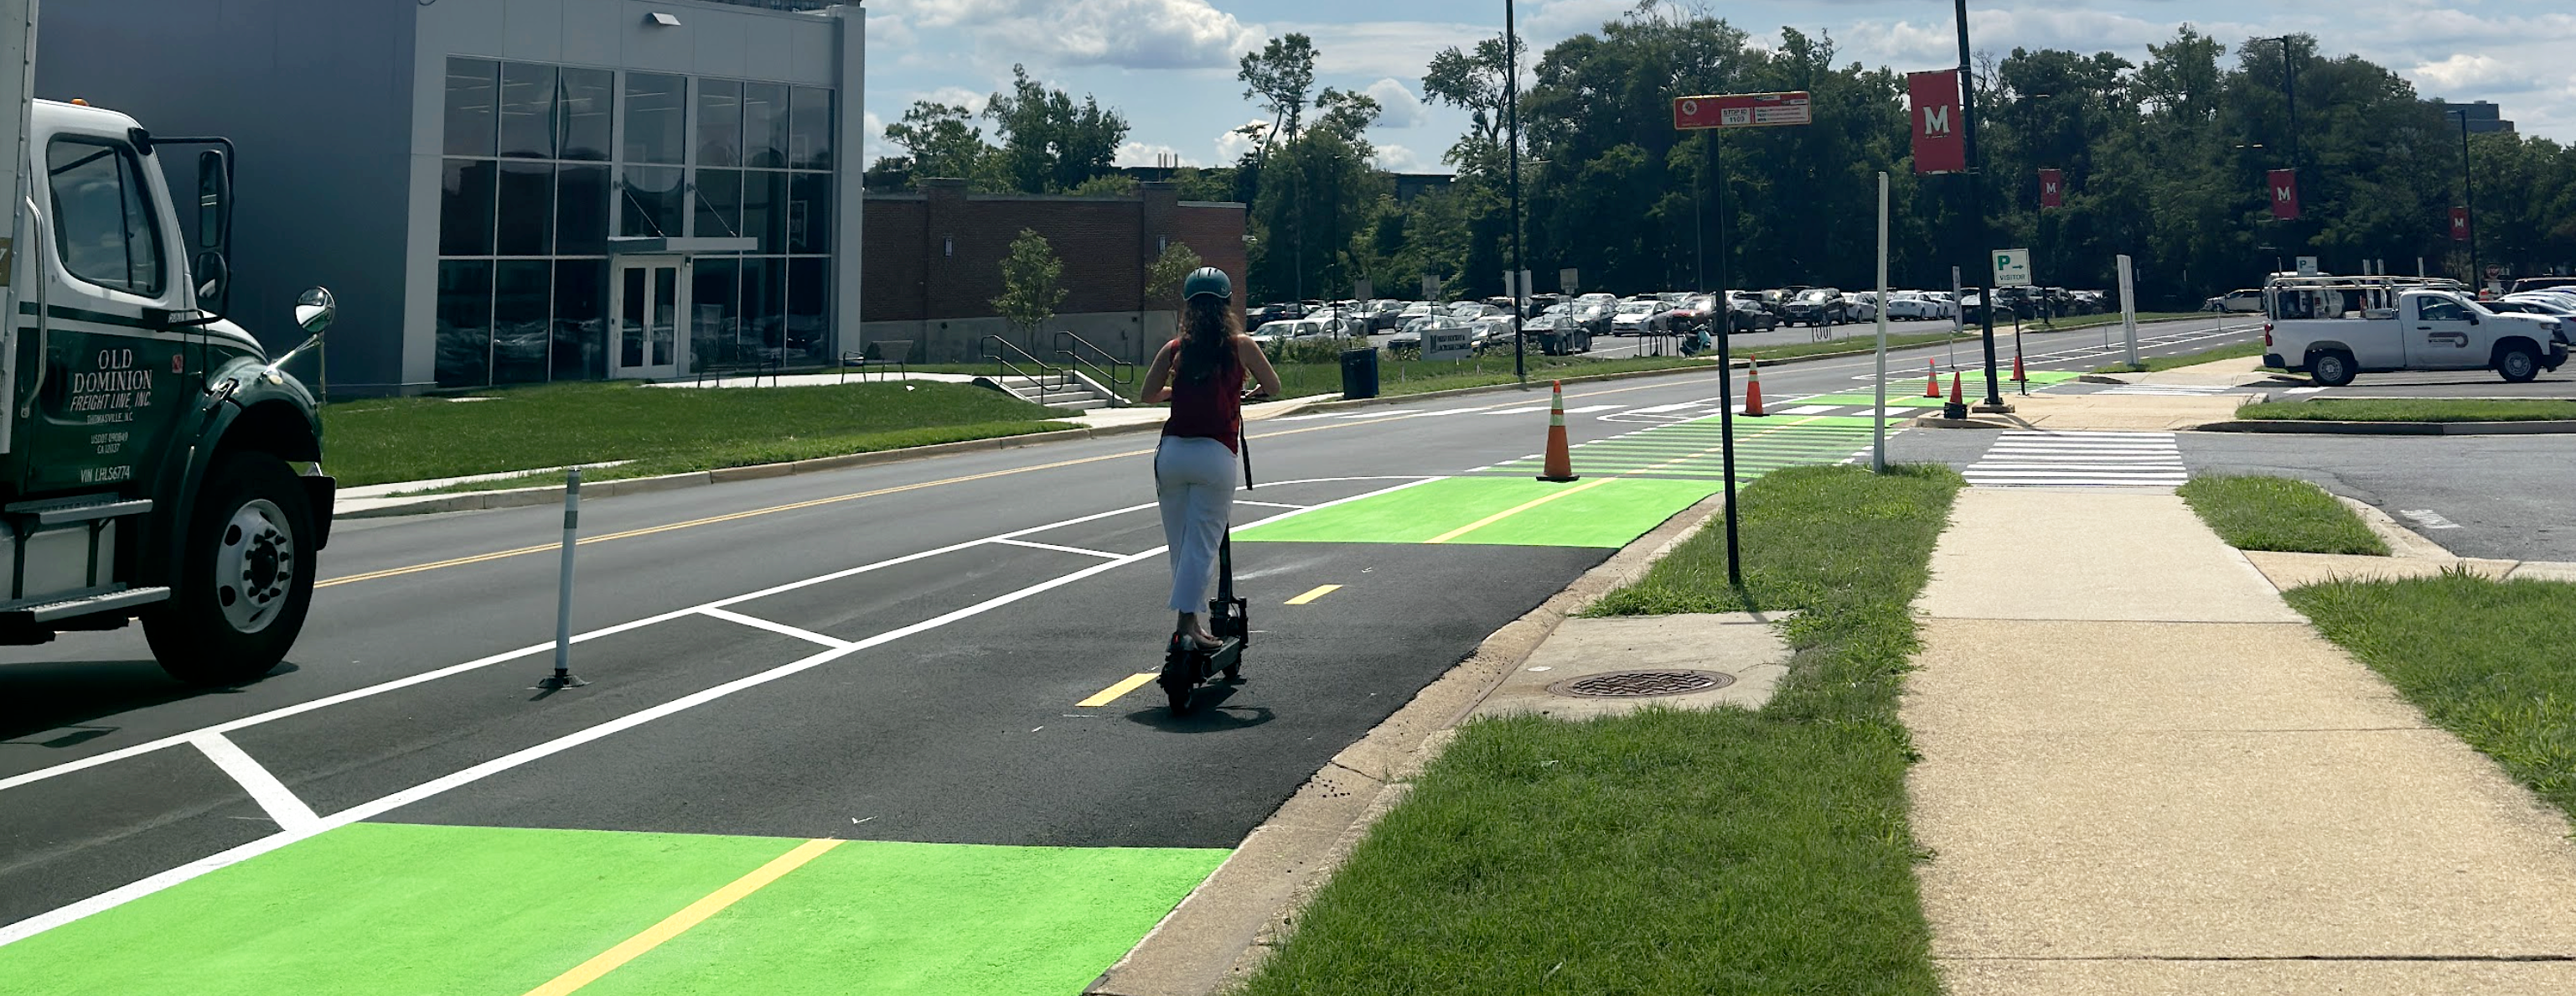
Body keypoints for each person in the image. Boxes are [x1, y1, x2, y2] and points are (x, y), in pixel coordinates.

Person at [1141, 267, 1283, 649]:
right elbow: (1274, 386)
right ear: (1226, 304)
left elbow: (1147, 394)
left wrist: (1180, 392)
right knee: (1203, 545)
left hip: (1171, 455)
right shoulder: (1241, 345)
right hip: (1214, 454)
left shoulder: (1175, 349)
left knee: (1181, 543)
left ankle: (1191, 623)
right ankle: (1187, 625)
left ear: (1189, 307)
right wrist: (1245, 392)